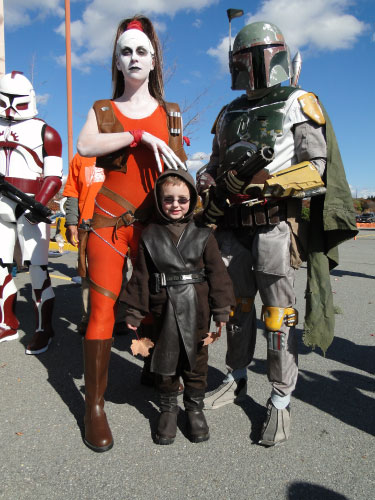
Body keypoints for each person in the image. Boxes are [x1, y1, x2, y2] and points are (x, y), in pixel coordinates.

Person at [197, 21, 357, 446]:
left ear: (271, 57)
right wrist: (206, 180)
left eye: (249, 59)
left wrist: (264, 185)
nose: (245, 68)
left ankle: (281, 399)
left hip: (273, 224)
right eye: (239, 61)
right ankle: (236, 377)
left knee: (277, 316)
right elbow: (213, 162)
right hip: (231, 227)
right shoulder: (227, 112)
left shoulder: (299, 103)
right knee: (235, 309)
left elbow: (316, 168)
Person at [76, 15, 187, 452]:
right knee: (102, 309)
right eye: (126, 51)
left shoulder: (171, 113)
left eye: (142, 50)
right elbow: (85, 146)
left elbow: (179, 170)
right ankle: (94, 408)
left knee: (161, 303)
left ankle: (157, 374)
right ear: (117, 61)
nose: (134, 57)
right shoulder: (104, 110)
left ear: (154, 58)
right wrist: (136, 134)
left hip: (156, 224)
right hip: (109, 221)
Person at [122, 170, 235, 445]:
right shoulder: (150, 235)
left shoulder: (203, 235)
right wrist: (135, 311)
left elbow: (217, 274)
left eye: (182, 199)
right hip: (164, 307)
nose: (176, 205)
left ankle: (194, 408)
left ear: (192, 200)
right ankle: (168, 409)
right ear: (160, 202)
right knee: (166, 359)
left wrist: (221, 311)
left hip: (197, 307)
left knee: (196, 360)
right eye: (169, 199)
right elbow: (141, 276)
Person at [0, 71, 63, 354]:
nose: (11, 109)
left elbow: (53, 176)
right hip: (1, 207)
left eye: (18, 103)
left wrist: (39, 205)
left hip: (30, 205)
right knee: (0, 267)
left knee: (38, 269)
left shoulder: (45, 131)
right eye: (5, 101)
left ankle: (43, 328)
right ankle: (7, 322)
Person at [63, 152, 129, 335]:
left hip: (116, 224)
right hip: (87, 225)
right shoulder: (81, 156)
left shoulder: (123, 153)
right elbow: (72, 193)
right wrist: (70, 223)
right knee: (87, 276)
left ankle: (120, 318)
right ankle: (89, 318)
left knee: (119, 274)